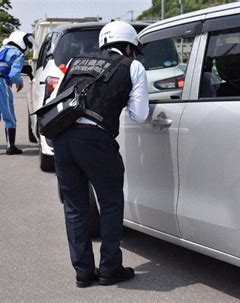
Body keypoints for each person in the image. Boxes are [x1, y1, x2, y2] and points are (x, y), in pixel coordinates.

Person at [52, 21, 149, 287]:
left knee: (75, 207)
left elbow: (56, 98)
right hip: (95, 139)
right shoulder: (132, 66)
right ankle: (109, 268)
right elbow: (140, 115)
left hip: (62, 137)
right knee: (110, 203)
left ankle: (83, 272)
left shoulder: (76, 61)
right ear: (128, 47)